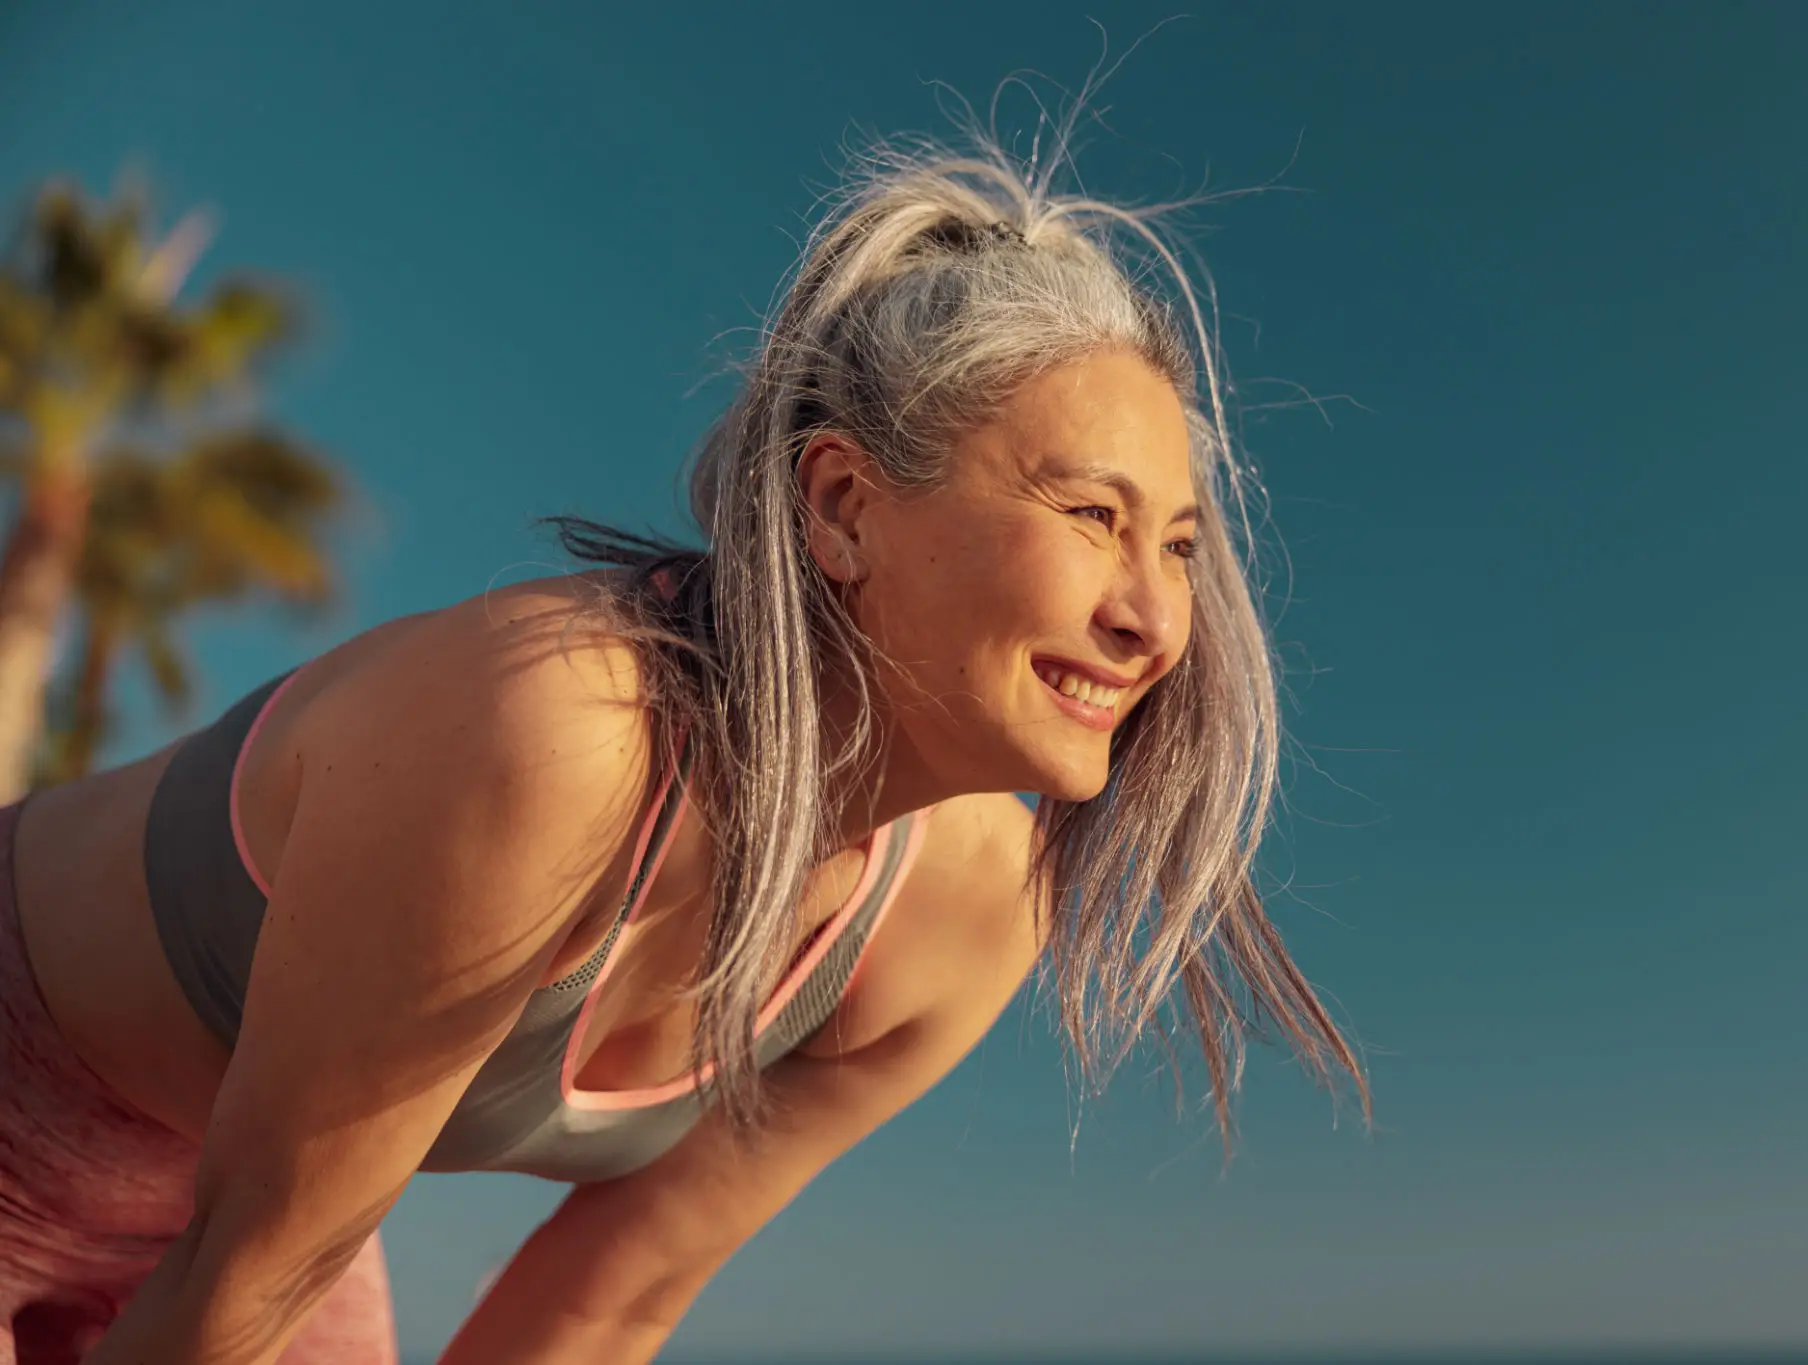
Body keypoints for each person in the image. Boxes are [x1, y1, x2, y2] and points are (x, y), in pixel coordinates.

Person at [0, 134, 1370, 1365]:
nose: (1150, 617)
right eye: (1090, 514)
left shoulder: (963, 919)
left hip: (241, 1214)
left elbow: (604, 1308)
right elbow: (243, 1282)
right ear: (840, 507)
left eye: (1179, 546)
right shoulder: (561, 736)